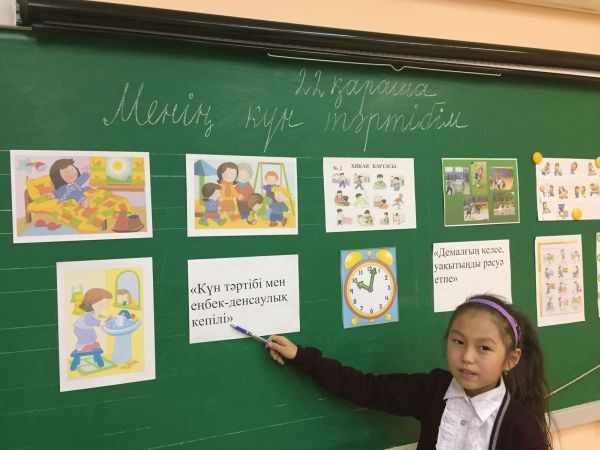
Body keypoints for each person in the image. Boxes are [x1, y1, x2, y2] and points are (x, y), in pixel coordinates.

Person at [266, 295, 552, 450]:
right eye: (458, 341)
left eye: (484, 348)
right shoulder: (433, 390)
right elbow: (365, 388)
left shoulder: (521, 427)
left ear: (511, 359)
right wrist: (303, 357)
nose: (467, 357)